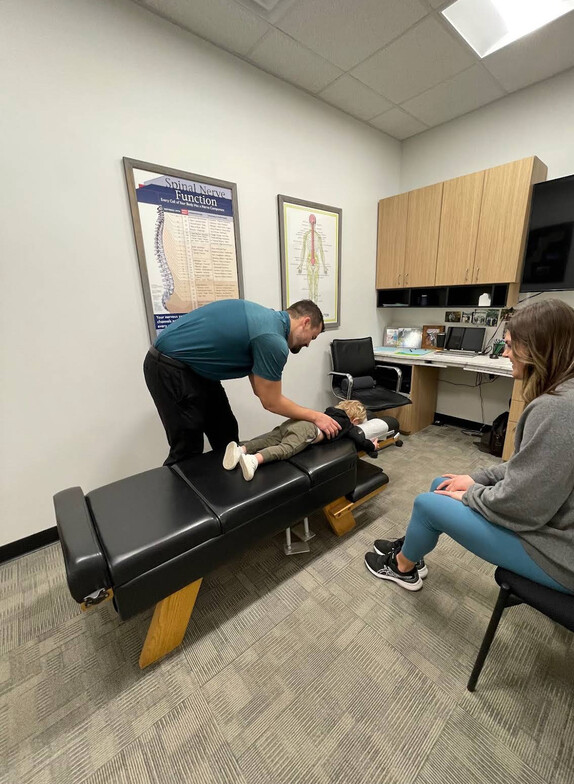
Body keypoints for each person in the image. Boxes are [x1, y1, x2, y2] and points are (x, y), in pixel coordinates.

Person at [364, 298, 574, 595]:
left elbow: (524, 506)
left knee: (427, 505)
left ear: (538, 348)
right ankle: (412, 551)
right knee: (443, 483)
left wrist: (472, 494)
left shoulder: (557, 410)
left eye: (512, 346)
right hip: (548, 523)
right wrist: (478, 479)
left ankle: (402, 568)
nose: (506, 354)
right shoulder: (563, 396)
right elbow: (524, 468)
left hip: (558, 553)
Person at [143, 298, 341, 465]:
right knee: (187, 448)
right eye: (312, 338)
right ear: (305, 322)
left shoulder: (267, 322)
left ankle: (226, 497)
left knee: (226, 433)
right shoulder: (273, 340)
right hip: (169, 366)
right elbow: (270, 401)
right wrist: (316, 416)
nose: (307, 344)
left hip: (197, 371)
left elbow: (260, 390)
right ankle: (183, 509)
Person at [222, 399, 379, 481]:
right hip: (308, 430)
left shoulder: (329, 411)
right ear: (354, 419)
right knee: (286, 448)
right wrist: (371, 446)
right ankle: (253, 460)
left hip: (297, 420)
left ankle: (240, 450)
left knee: (271, 438)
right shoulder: (346, 423)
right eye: (358, 423)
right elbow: (358, 438)